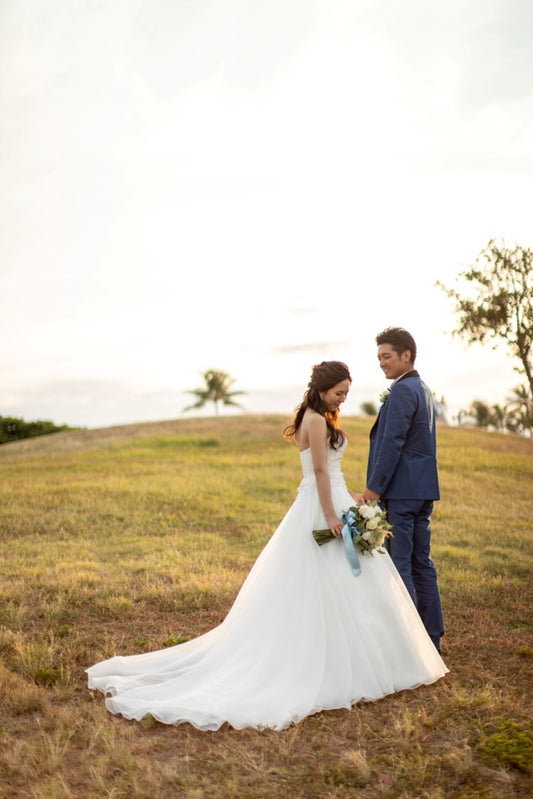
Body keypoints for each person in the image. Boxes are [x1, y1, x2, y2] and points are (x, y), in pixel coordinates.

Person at [87, 361, 447, 731]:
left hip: (332, 497)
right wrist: (331, 516)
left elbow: (328, 474)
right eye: (339, 392)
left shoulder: (312, 415)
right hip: (323, 505)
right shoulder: (318, 421)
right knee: (338, 580)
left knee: (338, 583)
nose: (343, 399)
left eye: (346, 393)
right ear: (322, 388)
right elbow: (321, 472)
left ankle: (361, 652)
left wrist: (350, 499)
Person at [362, 328, 445, 652]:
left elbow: (392, 443)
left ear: (406, 355)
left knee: (401, 564)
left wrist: (374, 488)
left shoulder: (401, 392)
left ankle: (409, 645)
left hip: (401, 491)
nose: (382, 363)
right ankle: (432, 636)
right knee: (421, 561)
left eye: (387, 356)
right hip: (423, 489)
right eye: (379, 357)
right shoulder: (422, 389)